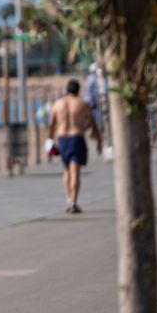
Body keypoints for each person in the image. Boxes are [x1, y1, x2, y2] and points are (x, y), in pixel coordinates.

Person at [48, 79, 102, 213]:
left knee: (66, 170)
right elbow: (93, 123)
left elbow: (51, 124)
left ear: (67, 90)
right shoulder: (82, 104)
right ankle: (73, 202)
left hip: (62, 139)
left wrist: (49, 140)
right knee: (75, 170)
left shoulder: (57, 104)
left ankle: (68, 199)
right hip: (76, 137)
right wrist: (99, 141)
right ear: (78, 90)